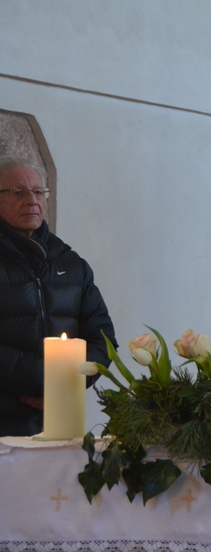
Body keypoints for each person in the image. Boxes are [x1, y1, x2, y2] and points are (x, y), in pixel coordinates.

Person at [0, 156, 116, 436]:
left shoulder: (72, 264)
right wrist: (45, 381)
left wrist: (63, 387)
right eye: (18, 192)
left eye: (38, 192)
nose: (32, 200)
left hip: (60, 421)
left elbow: (103, 340)